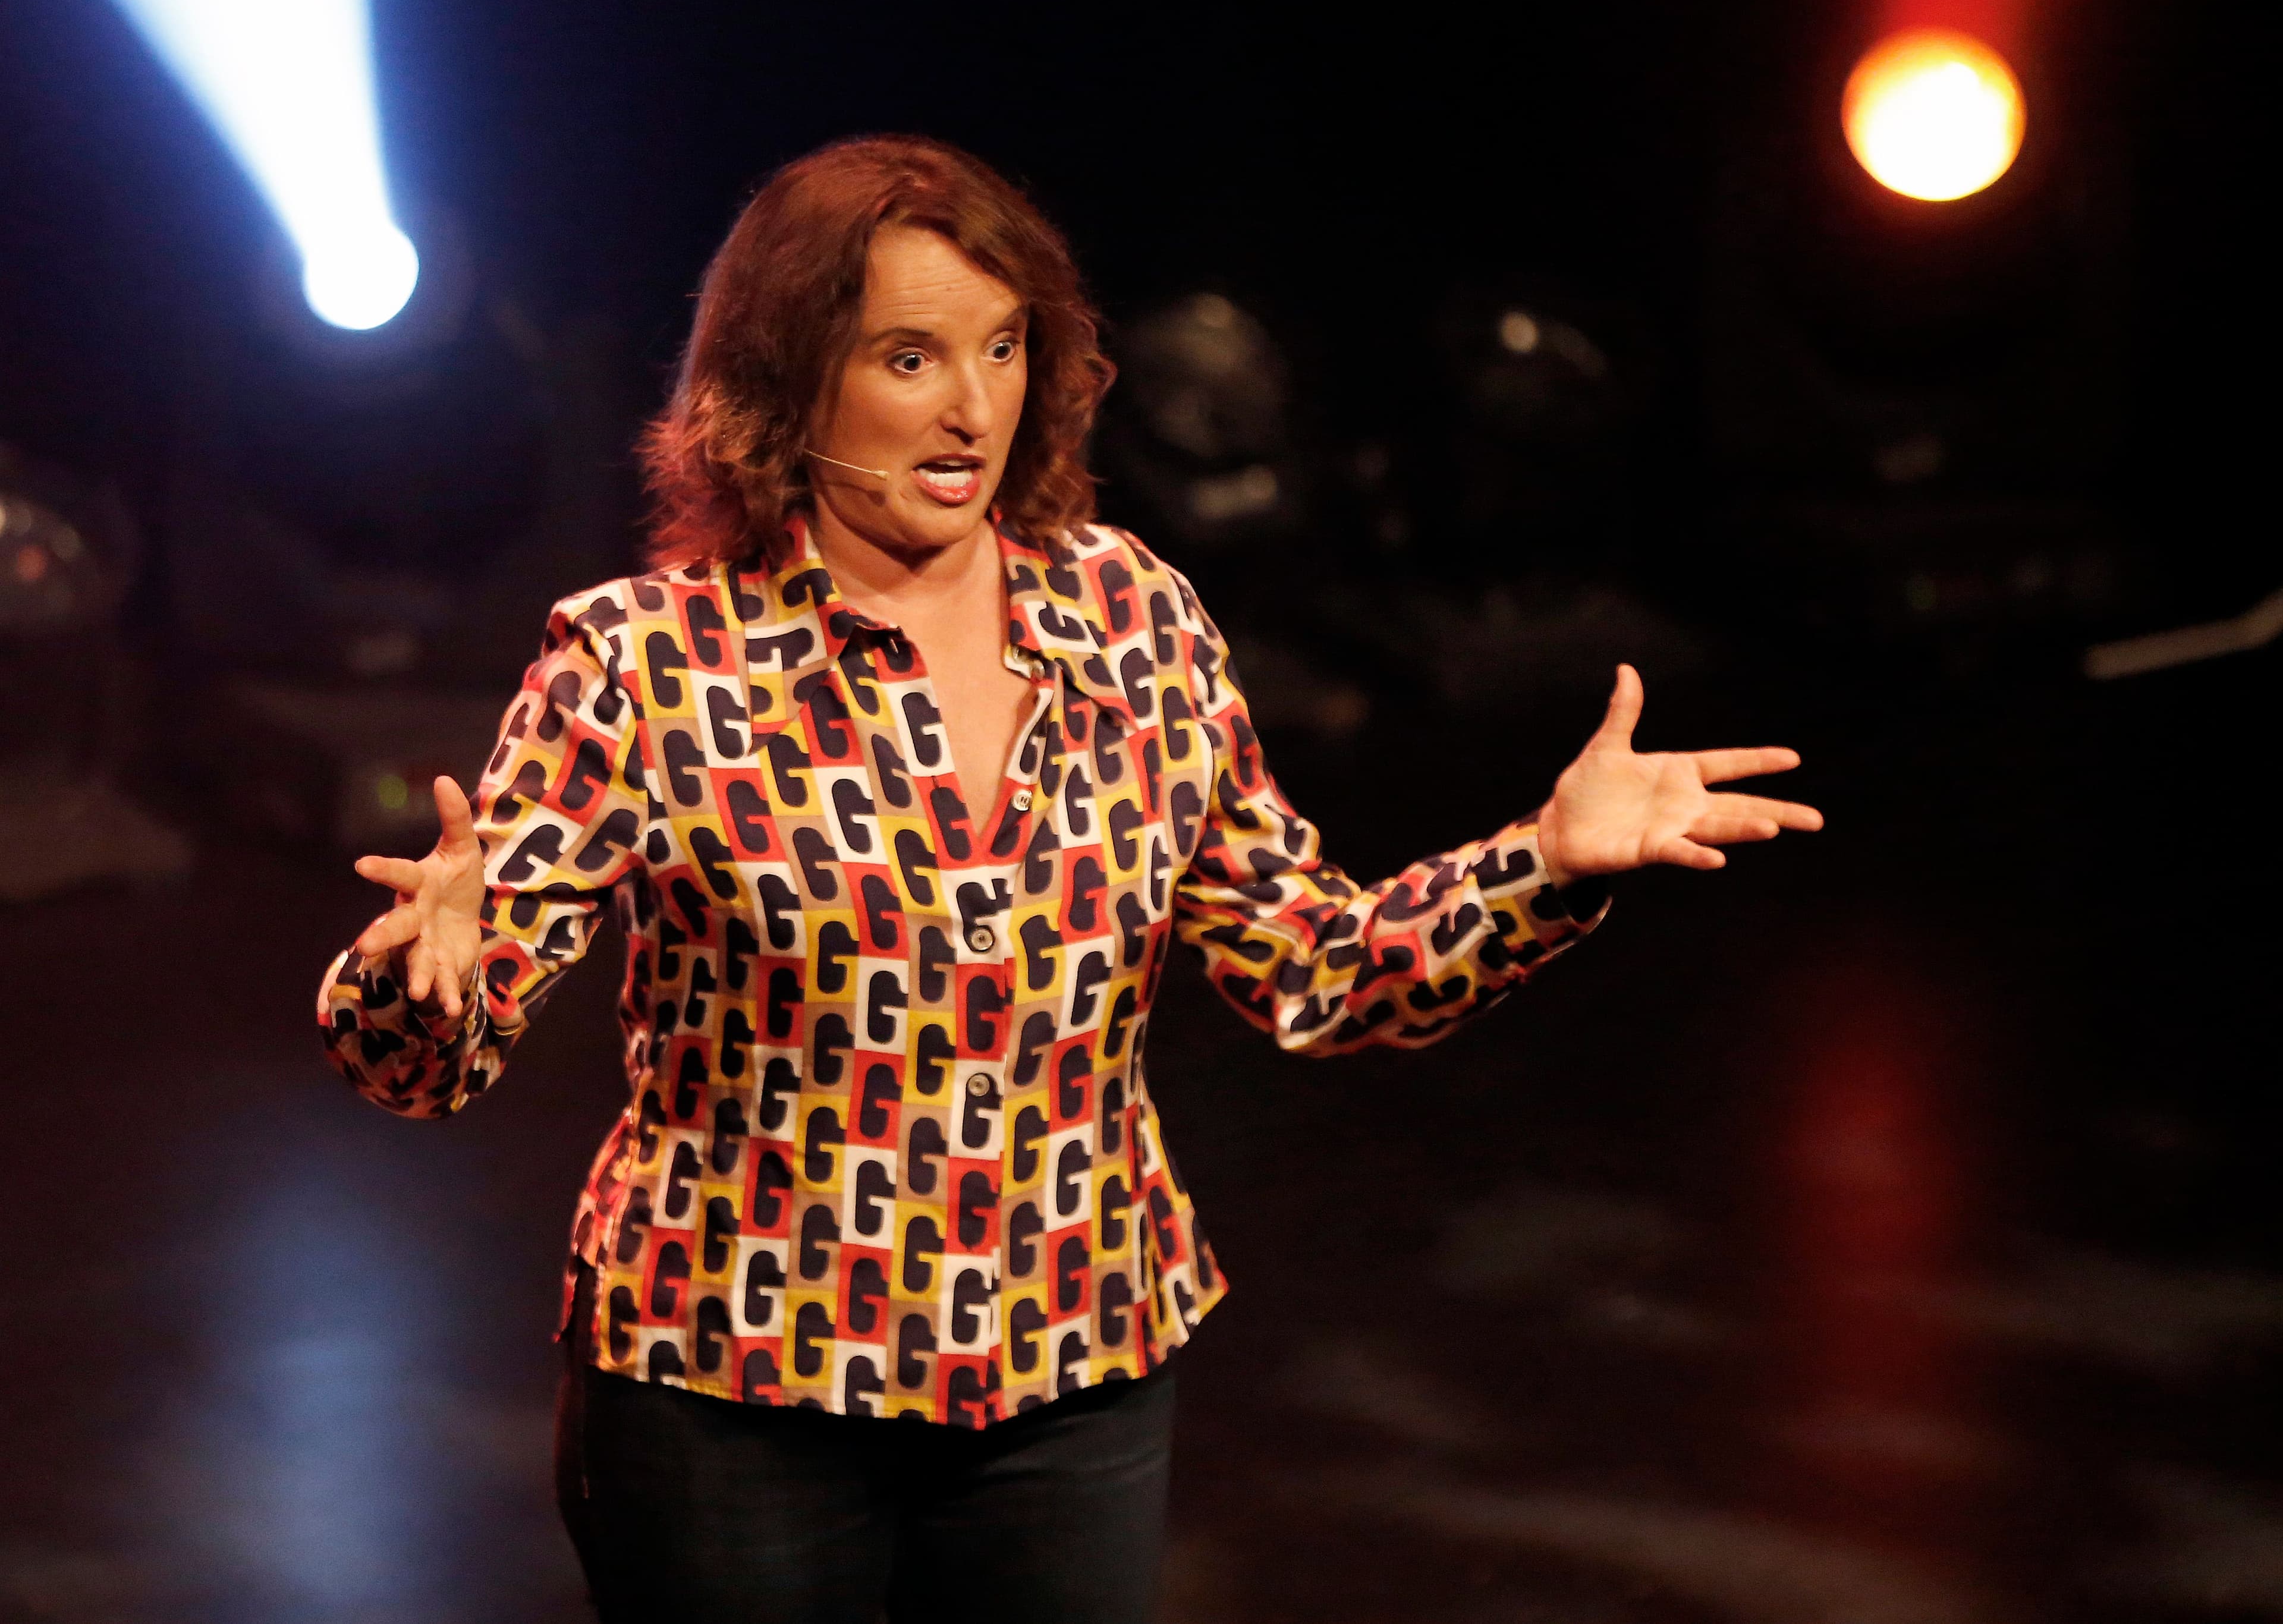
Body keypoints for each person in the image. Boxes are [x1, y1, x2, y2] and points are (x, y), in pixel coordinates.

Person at [318, 134, 1822, 1623]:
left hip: (1069, 1366)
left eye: (1001, 347)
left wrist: (1544, 864)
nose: (971, 405)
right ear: (785, 381)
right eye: (911, 357)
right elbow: (426, 1053)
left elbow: (1316, 968)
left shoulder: (1130, 615)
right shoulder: (646, 660)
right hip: (739, 1385)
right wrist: (413, 974)